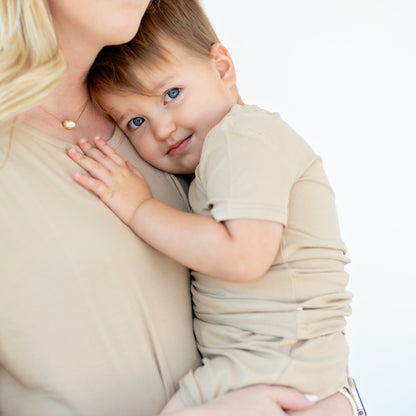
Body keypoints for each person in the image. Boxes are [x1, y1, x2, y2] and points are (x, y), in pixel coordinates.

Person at [0, 0, 355, 415]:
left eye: (170, 96)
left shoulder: (198, 131)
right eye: (137, 120)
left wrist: (341, 403)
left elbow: (283, 312)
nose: (162, 126)